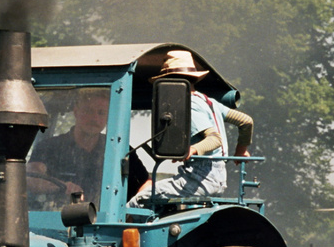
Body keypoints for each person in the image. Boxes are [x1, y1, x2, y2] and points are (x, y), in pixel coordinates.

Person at [131, 51, 254, 206]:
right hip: (219, 178)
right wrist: (241, 150)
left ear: (170, 84)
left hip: (199, 177)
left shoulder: (189, 105)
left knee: (138, 200)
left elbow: (215, 139)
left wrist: (192, 150)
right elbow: (246, 121)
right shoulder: (208, 101)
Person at [28, 87, 111, 206]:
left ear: (108, 117)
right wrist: (62, 186)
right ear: (76, 112)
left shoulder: (117, 149)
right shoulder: (50, 146)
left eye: (101, 113)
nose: (94, 118)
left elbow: (146, 183)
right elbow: (30, 177)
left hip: (103, 222)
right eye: (88, 111)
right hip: (55, 220)